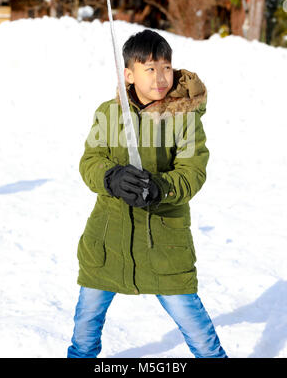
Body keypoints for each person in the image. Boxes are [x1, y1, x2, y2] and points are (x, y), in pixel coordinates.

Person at [67, 29, 227, 358]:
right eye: (150, 68)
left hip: (164, 246)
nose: (160, 76)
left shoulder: (184, 119)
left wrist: (159, 188)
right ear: (129, 74)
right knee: (85, 325)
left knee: (193, 323)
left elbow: (192, 172)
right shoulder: (109, 113)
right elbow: (90, 161)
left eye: (166, 67)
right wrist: (110, 177)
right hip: (108, 241)